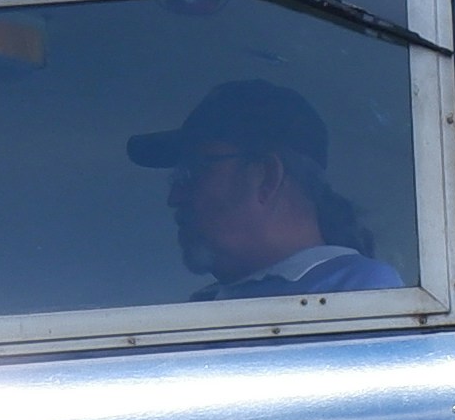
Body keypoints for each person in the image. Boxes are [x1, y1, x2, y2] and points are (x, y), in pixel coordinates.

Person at [125, 79, 393, 299]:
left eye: (192, 172)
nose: (175, 197)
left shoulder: (360, 292)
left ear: (267, 176)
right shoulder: (206, 303)